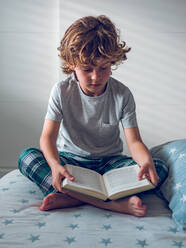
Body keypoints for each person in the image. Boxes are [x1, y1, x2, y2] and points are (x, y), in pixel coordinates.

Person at [18, 15, 167, 216]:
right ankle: (112, 204)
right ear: (72, 64)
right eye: (87, 69)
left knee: (158, 167)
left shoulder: (122, 94)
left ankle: (72, 197)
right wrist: (55, 166)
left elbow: (134, 142)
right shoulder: (61, 91)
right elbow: (48, 138)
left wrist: (145, 161)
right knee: (27, 157)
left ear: (112, 62)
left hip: (110, 163)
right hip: (71, 162)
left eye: (103, 68)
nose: (96, 76)